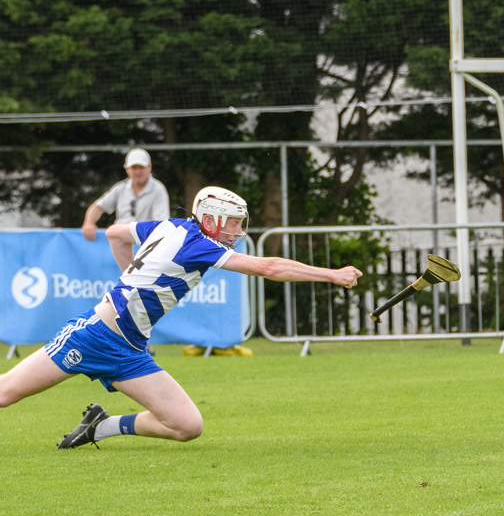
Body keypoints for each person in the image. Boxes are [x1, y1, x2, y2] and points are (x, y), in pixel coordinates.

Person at [0, 187, 363, 449]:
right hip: (92, 337)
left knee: (187, 426)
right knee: (5, 394)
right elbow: (268, 267)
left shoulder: (167, 226)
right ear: (209, 220)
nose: (238, 232)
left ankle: (102, 426)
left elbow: (114, 233)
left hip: (129, 350)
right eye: (233, 224)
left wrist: (129, 276)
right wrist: (331, 274)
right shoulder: (198, 243)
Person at [81, 148, 171, 241]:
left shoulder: (158, 189)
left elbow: (161, 223)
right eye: (134, 168)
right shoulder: (120, 188)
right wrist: (89, 223)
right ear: (127, 169)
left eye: (141, 167)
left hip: (145, 241)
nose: (137, 172)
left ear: (149, 167)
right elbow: (98, 206)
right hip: (120, 241)